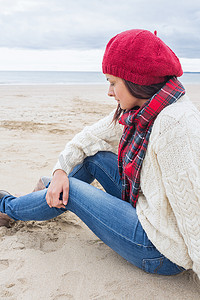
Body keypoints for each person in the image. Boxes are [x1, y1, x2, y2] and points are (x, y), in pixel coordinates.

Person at [0, 29, 200, 279]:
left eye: (113, 82)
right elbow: (88, 138)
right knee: (92, 157)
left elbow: (194, 212)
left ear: (137, 80)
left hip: (160, 250)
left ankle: (6, 207)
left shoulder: (174, 126)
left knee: (69, 189)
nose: (109, 92)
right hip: (148, 207)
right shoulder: (145, 110)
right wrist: (60, 170)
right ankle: (47, 192)